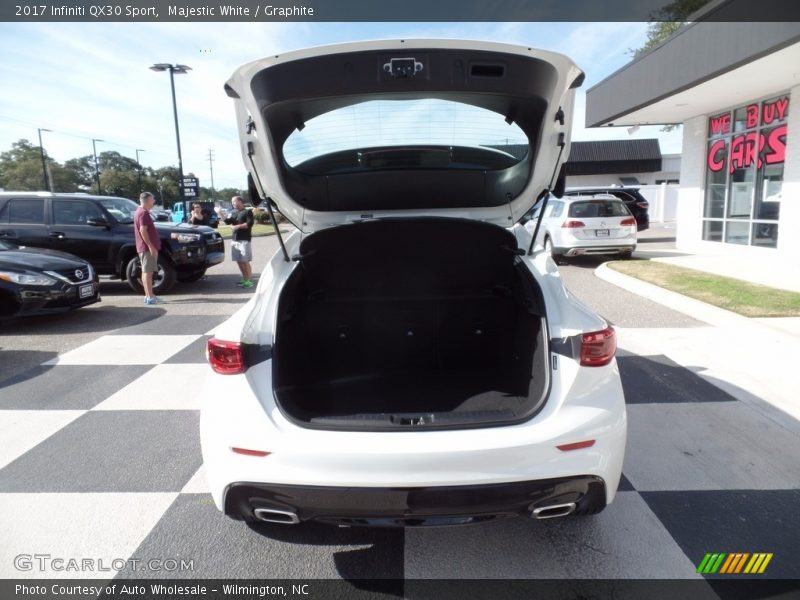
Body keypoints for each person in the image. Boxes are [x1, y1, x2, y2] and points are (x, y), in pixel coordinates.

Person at [133, 192, 163, 305]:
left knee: (146, 272)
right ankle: (150, 297)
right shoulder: (143, 213)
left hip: (143, 247)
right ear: (146, 200)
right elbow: (143, 230)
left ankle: (149, 295)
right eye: (152, 199)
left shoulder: (139, 212)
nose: (153, 202)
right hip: (146, 248)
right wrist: (151, 246)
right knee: (148, 273)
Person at [220, 195, 255, 288]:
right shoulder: (234, 213)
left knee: (245, 261)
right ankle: (245, 279)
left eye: (234, 201)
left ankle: (249, 281)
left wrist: (237, 226)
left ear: (240, 201)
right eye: (232, 202)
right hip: (235, 240)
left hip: (244, 240)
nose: (232, 203)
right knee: (239, 261)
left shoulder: (247, 212)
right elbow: (227, 221)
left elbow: (249, 224)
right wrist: (219, 213)